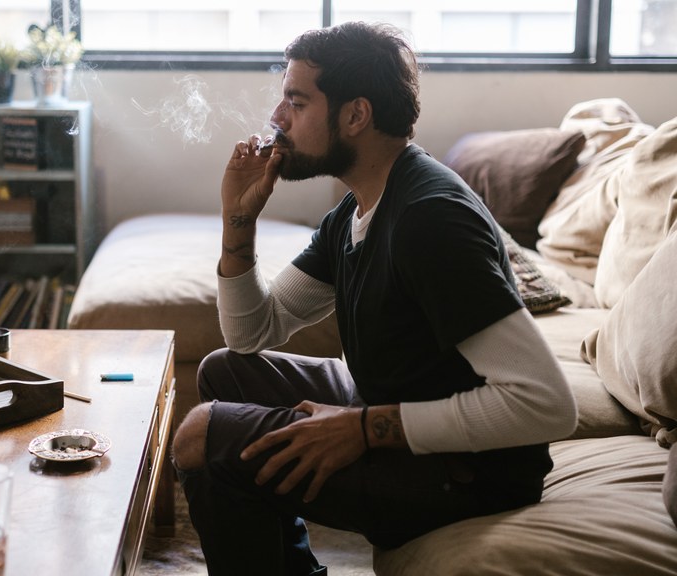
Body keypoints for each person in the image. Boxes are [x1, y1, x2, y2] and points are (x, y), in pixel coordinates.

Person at [171, 21, 578, 576]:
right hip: (389, 405)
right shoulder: (359, 208)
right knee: (225, 371)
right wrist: (238, 220)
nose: (277, 119)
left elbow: (545, 404)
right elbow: (251, 333)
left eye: (296, 101)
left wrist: (361, 429)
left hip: (467, 473)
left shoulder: (429, 219)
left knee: (199, 435)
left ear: (355, 115)